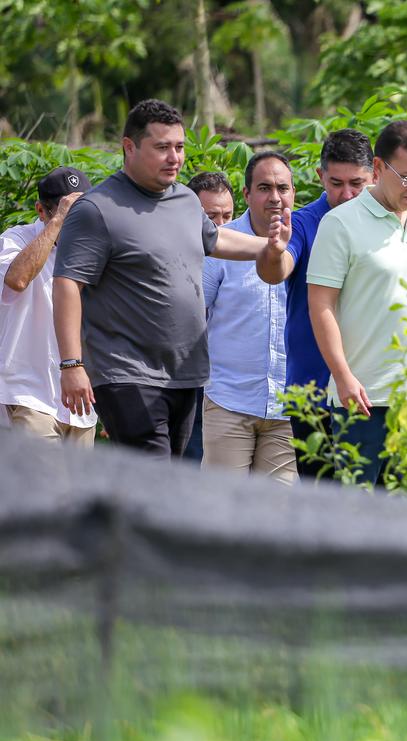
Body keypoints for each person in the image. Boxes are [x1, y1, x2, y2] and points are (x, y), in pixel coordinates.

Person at [52, 98, 290, 458]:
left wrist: (268, 246)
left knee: (162, 484)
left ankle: (105, 514)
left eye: (179, 147)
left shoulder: (184, 199)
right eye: (162, 147)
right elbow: (68, 283)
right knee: (155, 476)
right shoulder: (96, 209)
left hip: (185, 373)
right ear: (129, 147)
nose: (174, 157)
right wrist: (72, 365)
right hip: (126, 373)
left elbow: (215, 238)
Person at [306, 120, 407, 488]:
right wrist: (342, 377)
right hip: (364, 398)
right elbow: (320, 305)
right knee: (356, 519)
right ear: (378, 168)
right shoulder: (340, 223)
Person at [255, 129, 375, 479]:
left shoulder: (388, 222)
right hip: (314, 393)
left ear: (376, 175)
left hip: (374, 388)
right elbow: (277, 272)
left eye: (357, 183)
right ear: (320, 176)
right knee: (321, 503)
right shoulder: (305, 222)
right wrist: (275, 252)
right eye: (336, 182)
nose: (347, 194)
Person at [200, 152, 298, 484]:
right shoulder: (221, 244)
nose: (275, 197)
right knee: (220, 512)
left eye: (282, 188)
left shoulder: (306, 239)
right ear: (246, 194)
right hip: (229, 401)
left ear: (293, 192)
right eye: (264, 187)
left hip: (288, 408)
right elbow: (195, 317)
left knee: (277, 517)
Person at [0, 167, 97, 446]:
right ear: (41, 210)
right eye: (69, 212)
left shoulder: (95, 247)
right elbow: (16, 280)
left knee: (81, 490)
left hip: (82, 402)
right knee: (40, 487)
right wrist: (58, 221)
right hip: (29, 393)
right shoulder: (15, 239)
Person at [181, 170, 238, 464]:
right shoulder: (175, 256)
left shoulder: (244, 255)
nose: (221, 226)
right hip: (186, 383)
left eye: (228, 215)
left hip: (232, 387)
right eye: (211, 217)